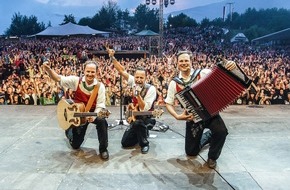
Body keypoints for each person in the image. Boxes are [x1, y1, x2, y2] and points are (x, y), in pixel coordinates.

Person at [165, 50, 236, 168]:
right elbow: (168, 103)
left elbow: (221, 71)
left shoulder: (202, 73)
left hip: (210, 114)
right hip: (193, 118)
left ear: (191, 62)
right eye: (181, 61)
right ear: (177, 63)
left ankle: (212, 157)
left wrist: (230, 65)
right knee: (191, 152)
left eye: (186, 60)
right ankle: (208, 136)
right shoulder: (174, 83)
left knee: (221, 131)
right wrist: (177, 116)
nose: (183, 63)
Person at [42, 60, 109, 160]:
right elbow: (57, 78)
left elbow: (100, 106)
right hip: (78, 114)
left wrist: (93, 115)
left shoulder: (100, 87)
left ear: (97, 72)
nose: (90, 74)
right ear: (84, 70)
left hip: (92, 113)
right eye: (88, 71)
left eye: (92, 72)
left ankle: (103, 149)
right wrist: (48, 70)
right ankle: (69, 129)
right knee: (75, 145)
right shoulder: (76, 81)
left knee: (102, 121)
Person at [106, 48, 157, 154]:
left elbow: (144, 108)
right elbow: (121, 70)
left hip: (147, 117)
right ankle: (142, 133)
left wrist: (138, 95)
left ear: (145, 78)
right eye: (137, 77)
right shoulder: (133, 81)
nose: (138, 80)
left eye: (141, 78)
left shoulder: (151, 89)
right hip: (135, 116)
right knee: (125, 143)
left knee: (139, 123)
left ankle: (144, 143)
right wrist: (112, 57)